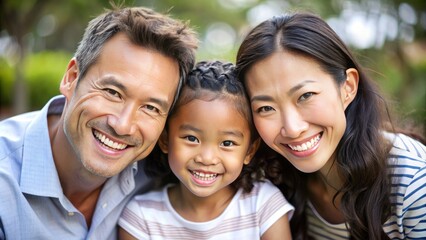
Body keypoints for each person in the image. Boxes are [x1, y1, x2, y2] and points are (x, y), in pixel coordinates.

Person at [0, 5, 198, 240]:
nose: (123, 125)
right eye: (113, 92)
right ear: (71, 78)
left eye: (151, 108)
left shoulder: (168, 171)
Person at [235, 12, 426, 240]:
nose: (293, 128)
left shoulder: (414, 184)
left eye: (305, 95)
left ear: (348, 87)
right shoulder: (270, 180)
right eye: (266, 108)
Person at [118, 60, 294, 239]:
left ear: (249, 151)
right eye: (192, 139)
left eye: (227, 143)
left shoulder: (263, 205)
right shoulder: (141, 217)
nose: (207, 158)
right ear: (165, 140)